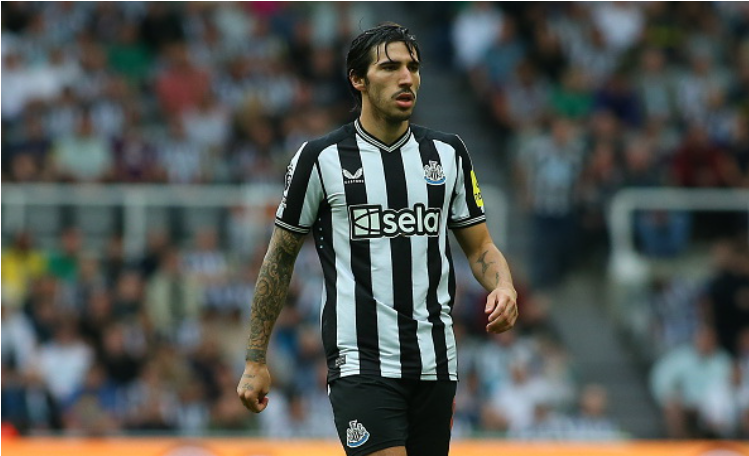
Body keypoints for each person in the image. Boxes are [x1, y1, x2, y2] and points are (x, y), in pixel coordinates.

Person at [236, 23, 518, 456]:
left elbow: (480, 247)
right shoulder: (320, 159)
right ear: (358, 79)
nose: (406, 78)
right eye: (390, 67)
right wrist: (255, 359)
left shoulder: (448, 154)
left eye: (413, 67)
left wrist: (504, 285)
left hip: (436, 362)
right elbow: (279, 259)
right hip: (360, 362)